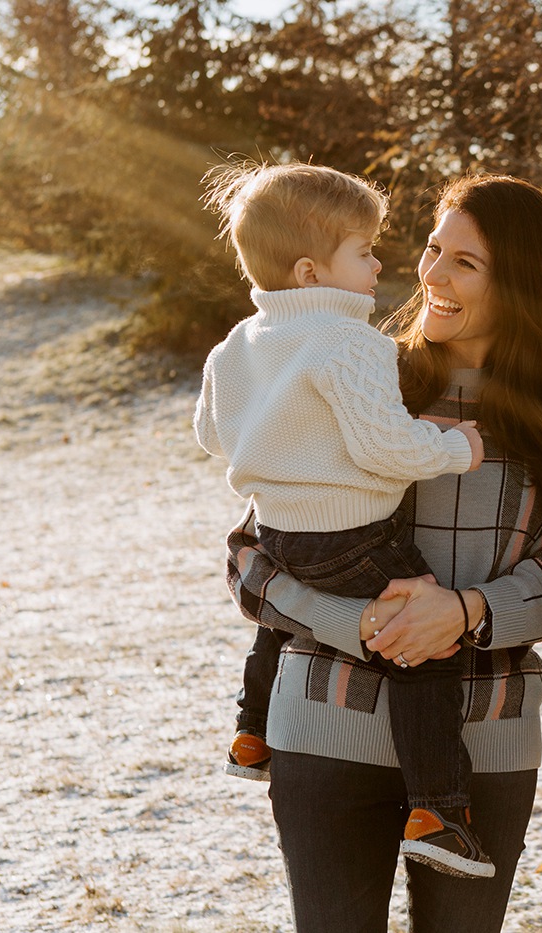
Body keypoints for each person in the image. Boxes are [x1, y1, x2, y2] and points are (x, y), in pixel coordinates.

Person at [222, 174, 542, 932]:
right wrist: (353, 619)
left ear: (518, 284)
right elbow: (253, 556)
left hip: (484, 742)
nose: (431, 275)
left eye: (466, 262)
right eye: (431, 248)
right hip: (327, 723)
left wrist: (465, 611)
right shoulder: (358, 372)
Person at [194, 161, 491, 875]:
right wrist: (457, 446)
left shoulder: (239, 342)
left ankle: (252, 729)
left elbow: (210, 432)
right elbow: (387, 446)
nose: (378, 262)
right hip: (354, 532)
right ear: (309, 270)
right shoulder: (351, 341)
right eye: (362, 250)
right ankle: (439, 808)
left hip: (275, 529)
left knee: (279, 617)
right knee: (423, 640)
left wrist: (279, 442)